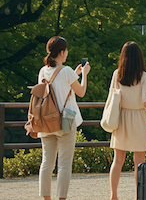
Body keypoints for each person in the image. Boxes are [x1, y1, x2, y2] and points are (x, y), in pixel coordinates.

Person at [37, 36, 90, 200]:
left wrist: (75, 74)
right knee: (64, 164)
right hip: (65, 121)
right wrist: (85, 75)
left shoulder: (43, 71)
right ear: (62, 52)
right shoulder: (66, 71)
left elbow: (53, 89)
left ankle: (46, 198)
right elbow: (80, 92)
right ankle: (62, 198)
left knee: (47, 163)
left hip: (46, 121)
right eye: (66, 51)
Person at [108, 41, 146, 200]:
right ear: (140, 57)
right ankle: (140, 195)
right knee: (139, 161)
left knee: (118, 160)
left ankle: (114, 195)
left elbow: (112, 96)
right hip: (139, 118)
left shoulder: (117, 74)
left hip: (122, 117)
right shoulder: (144, 76)